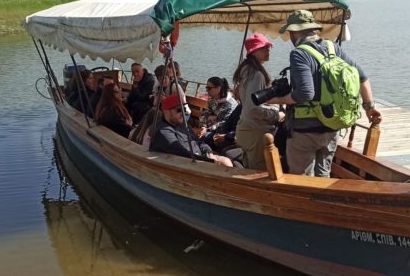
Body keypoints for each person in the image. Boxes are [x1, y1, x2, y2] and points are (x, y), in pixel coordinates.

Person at [269, 10, 381, 177]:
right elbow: (362, 77)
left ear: (294, 32)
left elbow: (305, 93)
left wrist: (276, 99)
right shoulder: (332, 47)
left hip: (305, 130)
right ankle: (323, 201)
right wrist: (369, 107)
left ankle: (305, 203)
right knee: (323, 174)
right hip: (332, 126)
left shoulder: (299, 53)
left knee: (302, 180)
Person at [233, 33, 285, 170]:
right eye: (263, 48)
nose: (268, 50)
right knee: (257, 172)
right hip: (254, 131)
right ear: (254, 52)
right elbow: (253, 108)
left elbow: (243, 99)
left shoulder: (246, 70)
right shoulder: (256, 74)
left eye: (268, 47)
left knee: (248, 169)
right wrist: (276, 115)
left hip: (246, 128)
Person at [149, 94, 233, 167]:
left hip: (199, 157)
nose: (183, 113)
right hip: (187, 164)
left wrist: (209, 152)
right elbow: (181, 154)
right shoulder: (163, 131)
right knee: (224, 164)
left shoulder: (183, 125)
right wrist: (210, 161)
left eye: (184, 109)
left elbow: (199, 141)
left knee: (226, 162)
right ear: (166, 112)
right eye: (179, 110)